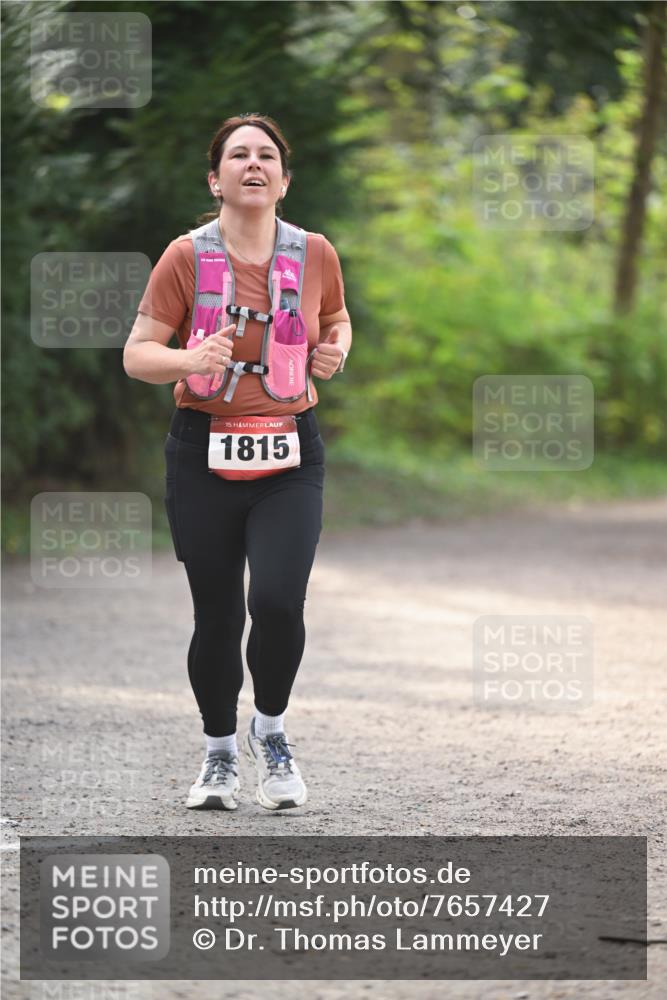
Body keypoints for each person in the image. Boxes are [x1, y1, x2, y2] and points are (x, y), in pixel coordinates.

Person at [123, 113, 351, 812]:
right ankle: (219, 752)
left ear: (284, 179)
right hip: (203, 456)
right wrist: (189, 359)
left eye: (265, 156)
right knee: (218, 617)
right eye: (237, 155)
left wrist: (337, 347)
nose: (252, 165)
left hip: (290, 453)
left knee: (277, 602)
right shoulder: (185, 257)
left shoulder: (314, 253)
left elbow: (336, 319)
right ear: (214, 177)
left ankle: (271, 735)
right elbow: (137, 354)